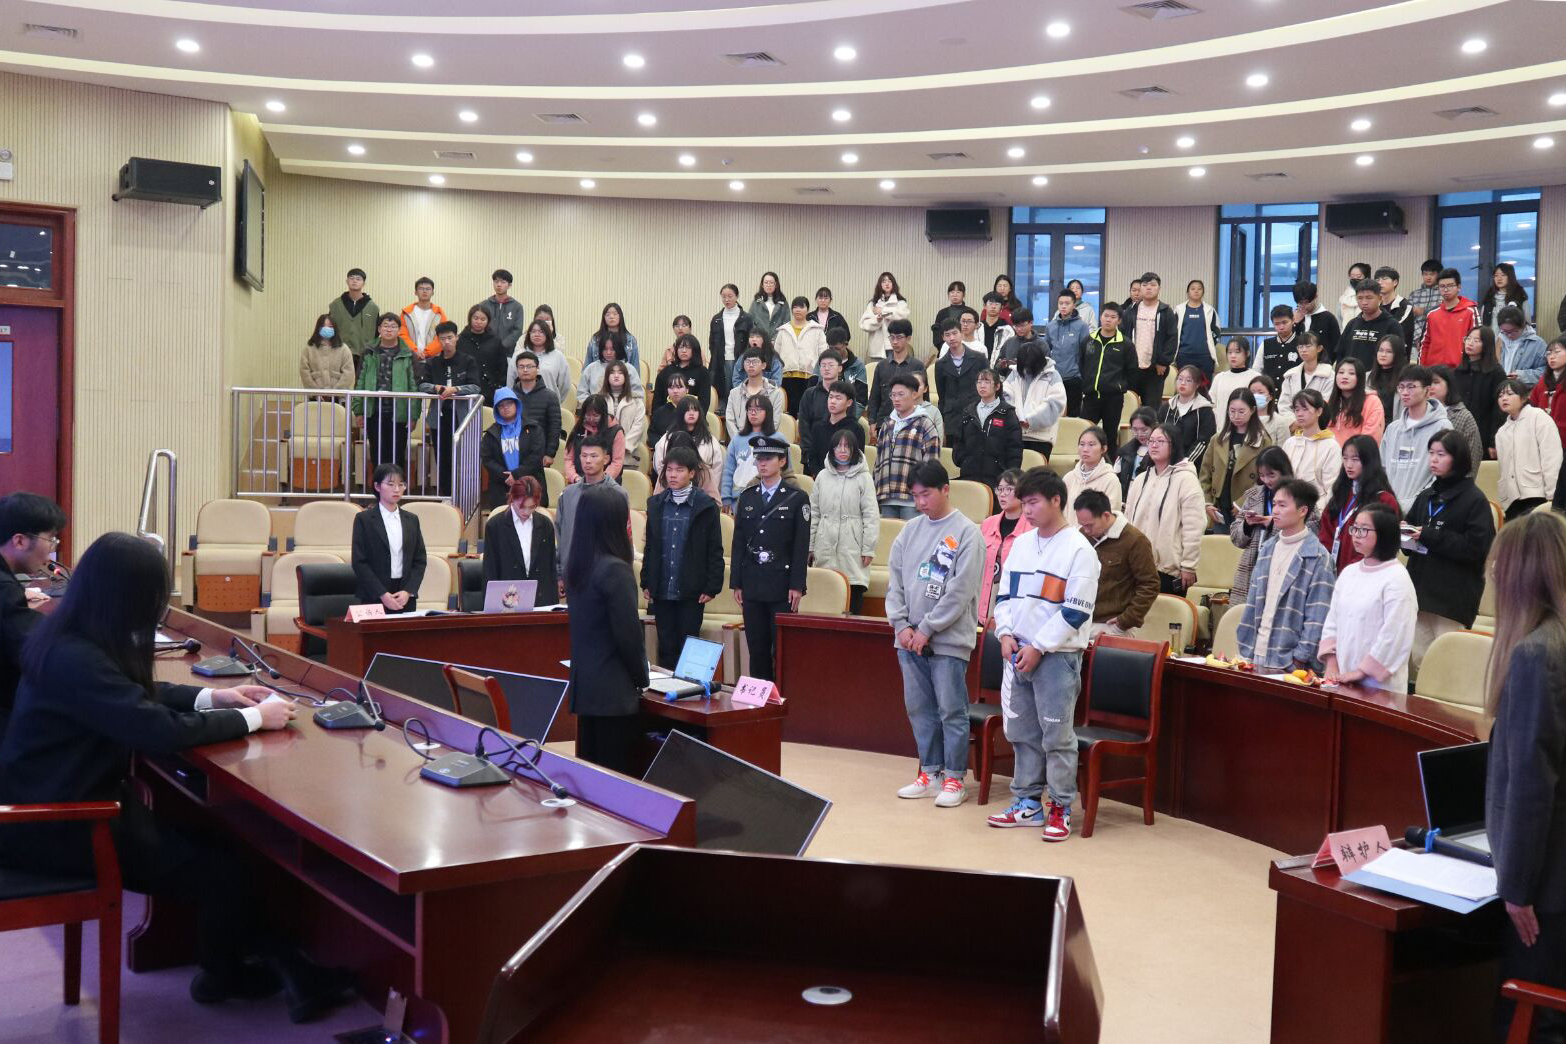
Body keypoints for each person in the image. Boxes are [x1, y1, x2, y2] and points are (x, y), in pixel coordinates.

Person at [0, 533, 363, 1023]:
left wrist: (216, 698)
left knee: (222, 844)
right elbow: (154, 729)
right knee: (224, 870)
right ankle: (230, 975)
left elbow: (130, 693)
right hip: (64, 825)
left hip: (61, 802)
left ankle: (277, 968)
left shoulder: (69, 636)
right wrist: (255, 719)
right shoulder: (77, 657)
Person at [1481, 511, 1566, 1041]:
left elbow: (1534, 785)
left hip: (1547, 888)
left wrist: (1515, 888)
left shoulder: (1537, 653)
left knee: (1533, 1021)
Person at [987, 467, 1100, 842]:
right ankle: (1027, 802)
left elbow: (1076, 612)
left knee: (1057, 736)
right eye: (1024, 502)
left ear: (1056, 500)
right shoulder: (1022, 544)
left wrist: (1038, 646)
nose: (1027, 510)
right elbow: (1005, 596)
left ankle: (1061, 807)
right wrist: (1005, 633)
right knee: (1023, 733)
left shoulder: (1079, 549)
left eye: (1033, 502)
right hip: (1018, 650)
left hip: (1056, 656)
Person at [887, 461, 985, 808]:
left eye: (926, 494)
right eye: (915, 496)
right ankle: (930, 773)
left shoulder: (968, 533)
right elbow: (895, 584)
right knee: (919, 709)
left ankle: (955, 777)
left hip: (947, 641)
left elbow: (960, 591)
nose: (920, 503)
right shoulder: (909, 531)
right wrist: (902, 626)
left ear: (946, 489)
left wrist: (927, 628)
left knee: (951, 711)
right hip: (908, 640)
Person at [565, 484, 648, 773]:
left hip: (587, 689)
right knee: (616, 778)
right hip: (614, 695)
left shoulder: (578, 565)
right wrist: (643, 678)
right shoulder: (615, 570)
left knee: (592, 778)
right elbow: (628, 636)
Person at [1403, 430, 1494, 672]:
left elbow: (1477, 550)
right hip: (1420, 595)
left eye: (1441, 454)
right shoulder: (1426, 496)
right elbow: (1411, 544)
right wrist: (1404, 534)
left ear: (1458, 458)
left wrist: (1429, 535)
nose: (1433, 459)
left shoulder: (1475, 500)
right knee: (1422, 666)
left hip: (1451, 600)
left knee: (1449, 669)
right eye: (1431, 453)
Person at [1233, 479, 1335, 672]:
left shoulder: (1318, 557)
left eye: (1282, 505)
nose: (1275, 510)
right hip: (1255, 654)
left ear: (1302, 511)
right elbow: (1252, 603)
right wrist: (1246, 647)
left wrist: (1299, 659)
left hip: (1290, 664)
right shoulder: (1267, 548)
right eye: (1274, 504)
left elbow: (1318, 616)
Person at [729, 435, 808, 680]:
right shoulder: (748, 496)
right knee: (757, 648)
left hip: (781, 584)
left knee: (782, 649)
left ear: (782, 461)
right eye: (759, 458)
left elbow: (800, 546)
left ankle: (780, 696)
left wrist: (797, 585)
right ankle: (759, 696)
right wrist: (736, 582)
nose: (762, 463)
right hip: (753, 583)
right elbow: (739, 542)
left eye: (768, 458)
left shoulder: (796, 498)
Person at [640, 446, 725, 669]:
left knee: (690, 647)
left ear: (691, 473)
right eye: (669, 470)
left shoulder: (705, 506)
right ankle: (667, 688)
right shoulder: (655, 504)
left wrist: (712, 586)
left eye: (679, 470)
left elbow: (714, 549)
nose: (673, 475)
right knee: (666, 647)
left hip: (692, 588)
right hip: (662, 587)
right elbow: (651, 546)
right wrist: (646, 580)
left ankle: (689, 689)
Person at [1319, 503, 1418, 692]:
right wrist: (1331, 663)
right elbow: (1332, 621)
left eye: (1364, 530)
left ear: (1384, 534)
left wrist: (1361, 672)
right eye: (1354, 528)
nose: (1356, 535)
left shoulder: (1397, 578)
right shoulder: (1349, 572)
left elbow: (1396, 635)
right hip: (1342, 678)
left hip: (1380, 688)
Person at [0, 492, 65, 737]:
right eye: (50, 539)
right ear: (19, 541)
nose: (52, 549)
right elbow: (35, 647)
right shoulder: (4, 589)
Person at [1124, 423, 1205, 594]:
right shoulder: (1140, 480)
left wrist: (1189, 565)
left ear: (1173, 445)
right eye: (1151, 441)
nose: (1154, 445)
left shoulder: (1186, 480)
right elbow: (1128, 520)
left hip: (1168, 570)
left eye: (1160, 441)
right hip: (1136, 567)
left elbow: (1194, 527)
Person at [809, 430, 878, 616]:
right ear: (832, 449)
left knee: (852, 594)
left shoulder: (864, 478)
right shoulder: (822, 476)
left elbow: (871, 515)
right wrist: (810, 546)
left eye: (847, 446)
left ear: (854, 449)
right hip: (824, 543)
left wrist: (868, 548)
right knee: (824, 597)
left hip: (852, 547)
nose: (842, 450)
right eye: (838, 446)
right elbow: (814, 513)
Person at [1074, 489, 1159, 638]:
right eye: (1082, 525)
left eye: (1090, 525)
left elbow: (1149, 584)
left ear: (1106, 515)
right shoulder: (1081, 536)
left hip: (1111, 626)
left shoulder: (1135, 540)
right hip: (1079, 621)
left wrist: (1126, 620)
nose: (1086, 530)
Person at [1229, 447, 1302, 605]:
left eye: (1271, 475)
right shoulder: (1253, 496)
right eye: (1262, 475)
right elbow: (1235, 537)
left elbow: (1310, 530)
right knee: (1244, 615)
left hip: (1284, 566)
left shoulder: (1300, 495)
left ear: (1284, 471)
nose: (1266, 480)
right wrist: (1247, 524)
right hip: (1252, 568)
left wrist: (1273, 523)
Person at [351, 464, 427, 612]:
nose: (397, 489)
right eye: (391, 484)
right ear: (377, 486)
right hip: (374, 595)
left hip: (404, 596)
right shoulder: (364, 519)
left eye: (401, 484)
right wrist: (382, 594)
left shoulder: (412, 519)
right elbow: (359, 562)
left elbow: (420, 560)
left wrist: (408, 591)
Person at [353, 312, 418, 481]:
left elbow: (414, 386)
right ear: (379, 329)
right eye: (385, 326)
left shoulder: (408, 353)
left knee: (397, 454)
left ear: (399, 330)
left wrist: (413, 415)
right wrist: (358, 411)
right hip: (374, 411)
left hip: (399, 412)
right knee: (377, 454)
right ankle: (379, 491)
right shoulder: (368, 352)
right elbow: (359, 382)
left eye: (393, 326)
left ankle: (396, 490)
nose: (389, 330)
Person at [1319, 434, 1399, 571]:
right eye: (1345, 458)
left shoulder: (1384, 500)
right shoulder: (1341, 493)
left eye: (1355, 459)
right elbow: (1326, 529)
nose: (1348, 465)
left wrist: (1355, 570)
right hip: (1332, 569)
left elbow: (1383, 543)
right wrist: (1325, 561)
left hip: (1366, 572)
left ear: (1369, 461)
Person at [418, 320, 481, 494]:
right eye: (442, 338)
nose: (446, 342)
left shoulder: (468, 360)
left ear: (457, 338)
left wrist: (457, 390)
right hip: (439, 417)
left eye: (450, 338)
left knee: (462, 458)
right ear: (438, 340)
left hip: (462, 417)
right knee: (442, 457)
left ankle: (463, 494)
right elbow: (422, 385)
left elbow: (475, 387)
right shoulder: (433, 362)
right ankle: (445, 495)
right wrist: (435, 388)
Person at [1382, 366, 1453, 510]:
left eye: (1411, 387)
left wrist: (1419, 504)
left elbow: (1442, 473)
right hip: (1389, 508)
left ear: (1427, 390)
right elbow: (1381, 468)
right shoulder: (1392, 429)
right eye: (1401, 387)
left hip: (1423, 508)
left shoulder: (1442, 426)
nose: (1404, 392)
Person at [556, 434, 628, 576]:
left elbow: (624, 539)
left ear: (606, 459)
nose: (588, 461)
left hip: (607, 574)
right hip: (573, 571)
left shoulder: (618, 494)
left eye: (594, 456)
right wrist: (559, 573)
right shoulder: (568, 494)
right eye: (584, 456)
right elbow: (560, 534)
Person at [1200, 389, 1271, 531]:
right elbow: (1205, 474)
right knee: (1219, 543)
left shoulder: (1263, 441)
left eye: (1241, 411)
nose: (1236, 416)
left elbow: (1265, 480)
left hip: (1248, 510)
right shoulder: (1217, 439)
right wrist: (1207, 503)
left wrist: (1243, 502)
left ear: (1252, 410)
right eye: (1232, 411)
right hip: (1219, 508)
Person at [482, 475, 560, 605]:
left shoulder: (545, 524)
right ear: (512, 499)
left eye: (532, 507)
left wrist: (553, 604)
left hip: (540, 598)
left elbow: (550, 568)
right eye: (521, 506)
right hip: (507, 599)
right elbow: (490, 570)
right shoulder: (495, 526)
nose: (526, 512)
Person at [875, 374, 942, 519]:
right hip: (887, 497)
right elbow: (878, 461)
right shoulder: (887, 424)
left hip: (913, 499)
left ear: (914, 394)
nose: (896, 399)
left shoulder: (925, 424)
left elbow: (932, 464)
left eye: (901, 394)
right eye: (893, 395)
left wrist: (924, 496)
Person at [1495, 378, 1561, 519]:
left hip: (1538, 495)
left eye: (1510, 394)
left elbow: (1551, 458)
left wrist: (1552, 495)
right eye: (1500, 395)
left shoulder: (1539, 417)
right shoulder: (1501, 432)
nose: (1504, 398)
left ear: (1524, 398)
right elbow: (1504, 470)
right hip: (1512, 500)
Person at [979, 469, 1031, 626]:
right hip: (982, 607)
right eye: (1000, 489)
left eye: (1008, 489)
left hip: (1013, 611)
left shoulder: (1032, 528)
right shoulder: (987, 524)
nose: (1002, 494)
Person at [954, 368, 1022, 488]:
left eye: (987, 382)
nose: (982, 386)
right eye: (979, 382)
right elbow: (959, 442)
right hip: (970, 474)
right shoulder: (968, 411)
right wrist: (964, 461)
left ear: (997, 386)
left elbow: (1015, 448)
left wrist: (1009, 474)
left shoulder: (1007, 413)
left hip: (997, 477)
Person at [723, 394, 792, 509]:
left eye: (758, 409)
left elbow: (787, 470)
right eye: (750, 409)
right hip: (739, 499)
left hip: (772, 498)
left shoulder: (778, 438)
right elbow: (728, 470)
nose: (753, 413)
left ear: (767, 412)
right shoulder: (737, 439)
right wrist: (726, 497)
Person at [480, 388, 545, 510]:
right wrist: (506, 477)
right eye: (501, 405)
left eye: (509, 403)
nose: (505, 407)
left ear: (516, 404)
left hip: (530, 485)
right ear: (497, 410)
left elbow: (536, 455)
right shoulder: (490, 434)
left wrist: (516, 475)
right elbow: (487, 459)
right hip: (502, 488)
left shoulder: (533, 428)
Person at [509, 350, 562, 498]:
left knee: (535, 494)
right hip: (514, 452)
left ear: (537, 368)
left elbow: (555, 426)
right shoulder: (510, 395)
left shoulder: (549, 396)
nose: (525, 370)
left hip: (538, 454)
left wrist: (550, 453)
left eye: (529, 366)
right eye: (521, 367)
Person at [1003, 341, 1067, 461]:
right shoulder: (1015, 374)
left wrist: (1031, 421)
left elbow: (1056, 403)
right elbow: (1005, 396)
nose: (1027, 369)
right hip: (1016, 434)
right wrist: (1015, 419)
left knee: (1037, 470)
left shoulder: (1052, 375)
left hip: (1041, 438)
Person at [1080, 302, 1132, 451]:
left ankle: (1110, 464)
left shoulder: (1125, 344)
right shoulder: (1089, 340)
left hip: (1113, 398)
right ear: (1100, 317)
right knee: (1086, 434)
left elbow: (1132, 370)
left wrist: (1120, 386)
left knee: (1110, 436)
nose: (1108, 319)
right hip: (1091, 396)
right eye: (1106, 315)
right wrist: (1087, 383)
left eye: (1113, 317)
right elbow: (1081, 363)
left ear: (1119, 320)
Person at [652, 399, 723, 501]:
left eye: (695, 410)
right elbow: (660, 466)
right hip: (671, 495)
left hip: (701, 494)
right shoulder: (667, 438)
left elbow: (716, 468)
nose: (691, 413)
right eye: (687, 410)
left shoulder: (710, 440)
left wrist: (706, 494)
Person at [1130, 272, 1178, 412]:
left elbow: (1172, 338)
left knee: (1151, 410)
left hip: (1155, 369)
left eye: (1153, 285)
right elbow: (1124, 336)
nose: (1148, 288)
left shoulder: (1166, 312)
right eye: (1145, 285)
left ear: (1159, 288)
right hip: (1133, 368)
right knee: (1131, 407)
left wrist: (1163, 362)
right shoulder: (1131, 311)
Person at [1453, 327, 1505, 456]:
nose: (1470, 343)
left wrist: (1494, 441)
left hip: (1484, 435)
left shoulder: (1496, 372)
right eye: (1468, 339)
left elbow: (1499, 410)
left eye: (1476, 340)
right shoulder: (1458, 372)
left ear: (1486, 345)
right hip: (1459, 434)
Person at [1284, 388, 1343, 497]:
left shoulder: (1331, 446)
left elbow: (1332, 488)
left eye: (1305, 409)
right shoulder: (1289, 443)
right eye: (1297, 409)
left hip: (1317, 504)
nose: (1299, 414)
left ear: (1319, 411)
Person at [775, 296, 828, 415]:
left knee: (807, 411)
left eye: (801, 307)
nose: (798, 310)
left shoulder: (817, 330)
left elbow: (823, 354)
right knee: (789, 411)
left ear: (808, 310)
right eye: (795, 307)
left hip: (809, 377)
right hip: (787, 377)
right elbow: (776, 355)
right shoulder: (783, 330)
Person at [1337, 278, 1405, 371]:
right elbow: (1340, 353)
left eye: (1369, 298)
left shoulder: (1392, 325)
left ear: (1380, 298)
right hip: (1352, 376)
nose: (1364, 302)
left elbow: (1399, 357)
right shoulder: (1352, 324)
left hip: (1378, 377)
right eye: (1360, 298)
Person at [1156, 365, 1217, 468]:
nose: (1183, 383)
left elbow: (1204, 441)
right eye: (1180, 379)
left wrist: (1186, 461)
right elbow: (1158, 434)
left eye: (1188, 380)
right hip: (1166, 461)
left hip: (1193, 464)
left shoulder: (1204, 410)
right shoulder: (1167, 407)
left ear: (1197, 384)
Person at [866, 318, 924, 424]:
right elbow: (874, 397)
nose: (895, 342)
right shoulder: (881, 366)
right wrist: (872, 421)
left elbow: (923, 398)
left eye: (899, 337)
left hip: (911, 422)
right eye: (892, 337)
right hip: (884, 421)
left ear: (908, 338)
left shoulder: (917, 366)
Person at [1418, 268, 1479, 369]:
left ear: (1459, 287)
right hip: (1433, 369)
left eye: (1450, 286)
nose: (1446, 290)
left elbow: (1478, 341)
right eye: (1442, 286)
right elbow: (1425, 343)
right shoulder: (1432, 314)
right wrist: (1421, 369)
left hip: (1460, 370)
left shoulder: (1470, 311)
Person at [1428, 365, 1483, 475]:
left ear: (1449, 385)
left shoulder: (1463, 416)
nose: (1431, 387)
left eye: (1436, 382)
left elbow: (1473, 456)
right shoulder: (1421, 413)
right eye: (1427, 383)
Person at [804, 376, 863, 478]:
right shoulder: (818, 427)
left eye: (838, 398)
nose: (833, 401)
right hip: (822, 478)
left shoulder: (856, 429)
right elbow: (812, 457)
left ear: (849, 403)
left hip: (847, 479)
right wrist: (821, 476)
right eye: (830, 397)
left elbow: (857, 459)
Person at [725, 347, 787, 441]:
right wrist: (740, 441)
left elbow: (775, 422)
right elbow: (730, 420)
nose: (751, 365)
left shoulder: (775, 393)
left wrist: (759, 442)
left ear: (763, 365)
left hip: (765, 442)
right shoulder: (734, 393)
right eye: (747, 362)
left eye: (755, 362)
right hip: (739, 441)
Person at [934, 319, 983, 438]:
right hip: (952, 418)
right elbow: (942, 395)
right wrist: (943, 421)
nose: (952, 338)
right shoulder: (940, 364)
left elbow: (989, 385)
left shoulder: (979, 358)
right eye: (947, 335)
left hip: (975, 414)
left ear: (961, 333)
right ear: (943, 338)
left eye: (954, 333)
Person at [562, 394, 626, 483]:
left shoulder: (616, 431)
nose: (591, 419)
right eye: (587, 415)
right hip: (579, 481)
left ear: (603, 414)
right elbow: (568, 458)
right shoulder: (578, 428)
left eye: (595, 415)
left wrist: (601, 479)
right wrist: (575, 477)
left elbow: (617, 461)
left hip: (607, 483)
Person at [327, 267, 380, 373]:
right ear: (347, 281)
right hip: (339, 353)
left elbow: (376, 333)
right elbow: (329, 328)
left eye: (358, 279)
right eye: (351, 278)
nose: (354, 281)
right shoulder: (335, 305)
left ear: (364, 283)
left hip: (363, 355)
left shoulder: (373, 308)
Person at [1044, 293, 1089, 413]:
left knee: (1073, 415)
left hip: (1075, 378)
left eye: (1067, 303)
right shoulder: (1050, 326)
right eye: (1061, 303)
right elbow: (1046, 352)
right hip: (1054, 378)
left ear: (1074, 305)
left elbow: (1086, 353)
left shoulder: (1082, 326)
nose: (1063, 306)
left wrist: (1082, 375)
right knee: (1054, 414)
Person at [1063, 426, 1122, 518]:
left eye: (1091, 445)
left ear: (1103, 449)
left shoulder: (1111, 480)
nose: (1085, 449)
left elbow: (1111, 515)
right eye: (1082, 444)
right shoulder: (1069, 478)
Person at [1324, 357, 1385, 445]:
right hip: (1329, 452)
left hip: (1357, 452)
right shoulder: (1327, 403)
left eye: (1351, 373)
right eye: (1341, 372)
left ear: (1360, 378)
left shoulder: (1372, 402)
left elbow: (1370, 439)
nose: (1345, 377)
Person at [577, 329, 644, 405]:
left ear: (618, 349)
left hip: (625, 409)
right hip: (596, 410)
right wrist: (592, 405)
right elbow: (581, 393)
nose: (608, 353)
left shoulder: (629, 369)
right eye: (605, 349)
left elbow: (638, 394)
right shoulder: (591, 368)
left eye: (612, 349)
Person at [600, 360, 647, 469]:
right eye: (612, 372)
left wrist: (622, 446)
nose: (616, 376)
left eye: (620, 373)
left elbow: (638, 427)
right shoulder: (599, 399)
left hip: (628, 457)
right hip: (604, 457)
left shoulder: (636, 401)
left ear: (626, 377)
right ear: (607, 377)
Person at [653, 333, 712, 418]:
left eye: (688, 347)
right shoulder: (666, 371)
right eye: (680, 347)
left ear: (694, 350)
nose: (684, 351)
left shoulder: (702, 372)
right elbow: (657, 402)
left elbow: (704, 403)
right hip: (667, 418)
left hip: (692, 418)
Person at [708, 283, 753, 393]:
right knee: (723, 391)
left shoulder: (746, 318)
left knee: (739, 390)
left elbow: (750, 341)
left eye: (730, 296)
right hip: (721, 360)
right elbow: (712, 343)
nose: (726, 299)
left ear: (737, 297)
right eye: (723, 297)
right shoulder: (716, 319)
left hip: (740, 359)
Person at [1174, 278, 1222, 379]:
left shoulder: (1210, 310)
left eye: (1199, 289)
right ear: (1188, 292)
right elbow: (1173, 332)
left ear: (1203, 292)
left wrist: (1210, 345)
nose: (1196, 291)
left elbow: (1216, 331)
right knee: (1185, 384)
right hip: (1184, 355)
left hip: (1205, 356)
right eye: (1193, 289)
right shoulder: (1179, 310)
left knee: (1204, 385)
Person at [517, 318, 572, 406]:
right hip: (522, 403)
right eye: (533, 331)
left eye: (541, 331)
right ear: (528, 334)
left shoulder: (558, 356)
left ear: (548, 334)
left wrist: (556, 399)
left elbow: (565, 385)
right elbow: (511, 381)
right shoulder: (519, 354)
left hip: (550, 404)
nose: (537, 335)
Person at [459, 304, 507, 404]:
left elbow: (502, 366)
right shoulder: (460, 340)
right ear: (470, 319)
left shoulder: (495, 340)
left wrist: (499, 387)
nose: (479, 322)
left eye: (483, 319)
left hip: (489, 391)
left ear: (488, 321)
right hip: (465, 390)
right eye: (475, 318)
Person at [860, 271, 912, 361]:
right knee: (877, 369)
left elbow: (902, 316)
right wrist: (877, 321)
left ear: (893, 284)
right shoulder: (873, 304)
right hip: (877, 348)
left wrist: (883, 311)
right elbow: (863, 324)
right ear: (880, 285)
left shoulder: (900, 302)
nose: (887, 284)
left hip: (895, 346)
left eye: (889, 281)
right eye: (884, 281)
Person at [477, 268, 525, 366]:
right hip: (485, 352)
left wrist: (501, 346)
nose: (499, 285)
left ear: (509, 285)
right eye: (496, 281)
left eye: (503, 282)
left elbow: (517, 331)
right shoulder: (483, 305)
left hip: (508, 354)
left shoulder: (517, 307)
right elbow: (478, 327)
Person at [299, 313, 355, 390]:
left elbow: (349, 373)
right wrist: (315, 391)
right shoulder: (309, 348)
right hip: (314, 395)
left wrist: (335, 392)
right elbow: (304, 371)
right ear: (318, 328)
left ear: (335, 329)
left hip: (338, 395)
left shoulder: (344, 349)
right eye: (323, 326)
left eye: (330, 326)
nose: (327, 329)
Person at [1115, 406, 1159, 499]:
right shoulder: (1124, 452)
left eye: (1144, 430)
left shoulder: (1161, 452)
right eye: (1135, 429)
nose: (1139, 434)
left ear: (1154, 427)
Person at [1498, 305, 1548, 389]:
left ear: (1523, 325)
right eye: (1505, 331)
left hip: (1525, 391)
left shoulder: (1537, 344)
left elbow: (1548, 371)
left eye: (1513, 331)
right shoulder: (1499, 340)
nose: (1509, 335)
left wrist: (1522, 376)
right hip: (1503, 390)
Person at [398, 276, 447, 360]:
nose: (424, 291)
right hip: (410, 358)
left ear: (432, 292)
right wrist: (415, 351)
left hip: (434, 358)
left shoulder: (439, 314)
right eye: (421, 288)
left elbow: (442, 337)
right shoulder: (406, 313)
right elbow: (402, 335)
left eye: (428, 289)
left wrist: (426, 353)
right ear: (415, 292)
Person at [1293, 280, 1342, 363]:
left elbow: (1336, 347)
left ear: (1315, 297)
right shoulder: (1294, 317)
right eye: (1300, 303)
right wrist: (1295, 324)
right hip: (1299, 366)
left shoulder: (1328, 318)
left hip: (1322, 365)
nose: (1304, 306)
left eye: (1307, 302)